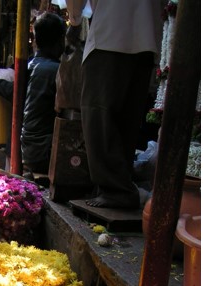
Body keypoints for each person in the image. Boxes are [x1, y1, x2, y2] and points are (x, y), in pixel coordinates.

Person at [68, 0, 162, 210]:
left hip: (109, 36)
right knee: (127, 119)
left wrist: (74, 20)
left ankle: (116, 189)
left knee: (98, 117)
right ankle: (119, 185)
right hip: (146, 38)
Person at [0, 11, 64, 178]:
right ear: (60, 40)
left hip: (20, 147)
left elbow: (14, 93)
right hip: (42, 153)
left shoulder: (28, 65)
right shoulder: (57, 71)